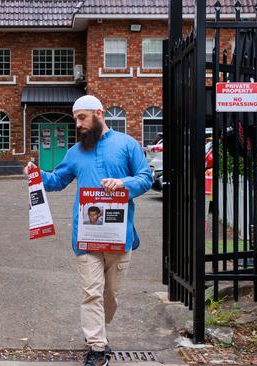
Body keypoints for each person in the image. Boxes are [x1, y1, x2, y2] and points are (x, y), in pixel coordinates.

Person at [24, 95, 152, 366]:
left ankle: (97, 329)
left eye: (82, 118)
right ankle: (97, 347)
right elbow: (57, 180)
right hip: (86, 237)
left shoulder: (127, 145)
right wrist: (37, 174)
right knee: (92, 292)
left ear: (99, 113)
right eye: (75, 119)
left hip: (119, 237)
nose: (78, 124)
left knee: (110, 295)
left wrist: (122, 183)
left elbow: (145, 178)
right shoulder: (74, 152)